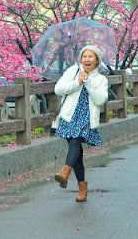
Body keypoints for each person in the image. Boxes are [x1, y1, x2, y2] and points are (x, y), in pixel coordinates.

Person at [53, 44, 109, 202]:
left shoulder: (101, 79)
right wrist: (77, 82)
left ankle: (65, 173)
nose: (87, 59)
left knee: (76, 142)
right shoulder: (73, 71)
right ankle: (82, 189)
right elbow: (58, 89)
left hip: (86, 117)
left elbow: (100, 100)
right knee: (76, 153)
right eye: (84, 56)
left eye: (91, 56)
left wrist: (89, 82)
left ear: (96, 60)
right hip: (70, 116)